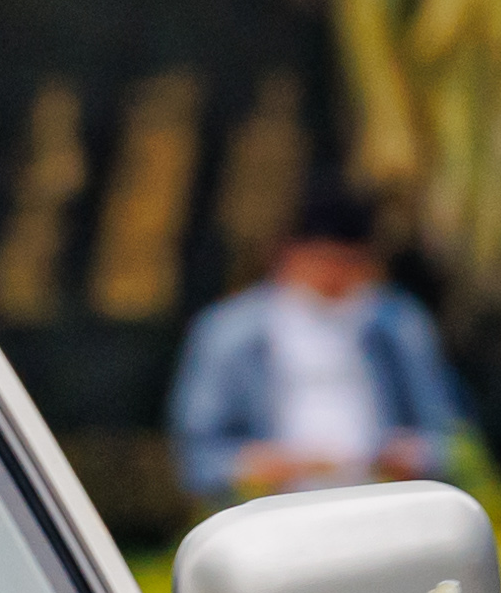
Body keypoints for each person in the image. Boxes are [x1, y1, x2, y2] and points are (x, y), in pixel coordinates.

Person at [169, 187, 472, 503]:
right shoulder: (230, 332)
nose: (333, 276)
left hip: (381, 506)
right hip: (270, 514)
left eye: (348, 263)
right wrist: (260, 465)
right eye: (323, 261)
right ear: (287, 256)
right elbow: (196, 459)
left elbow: (452, 441)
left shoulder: (397, 325)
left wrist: (409, 456)